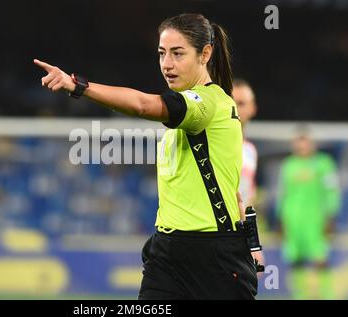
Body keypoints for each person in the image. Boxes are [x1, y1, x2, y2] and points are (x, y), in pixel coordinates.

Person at [34, 13, 259, 300]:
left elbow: (143, 105)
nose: (167, 64)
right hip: (167, 251)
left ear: (205, 54)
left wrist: (79, 86)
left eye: (178, 54)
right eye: (162, 53)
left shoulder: (211, 102)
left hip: (213, 256)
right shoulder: (185, 115)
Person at [276, 131, 341, 299]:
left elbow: (332, 190)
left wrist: (331, 214)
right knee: (295, 260)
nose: (301, 147)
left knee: (321, 259)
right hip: (293, 219)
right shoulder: (288, 165)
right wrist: (281, 217)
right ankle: (300, 295)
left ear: (312, 144)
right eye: (298, 144)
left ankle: (327, 295)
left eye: (305, 143)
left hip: (316, 219)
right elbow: (282, 193)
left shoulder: (324, 164)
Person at [232, 79, 265, 268]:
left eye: (241, 103)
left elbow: (248, 197)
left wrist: (254, 244)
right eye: (232, 101)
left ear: (253, 108)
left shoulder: (250, 150)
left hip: (240, 236)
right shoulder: (212, 145)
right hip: (215, 235)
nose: (235, 108)